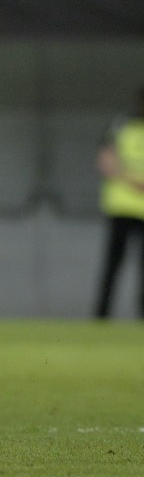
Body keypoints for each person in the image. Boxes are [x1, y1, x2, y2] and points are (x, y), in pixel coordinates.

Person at [94, 87, 144, 319]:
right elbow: (106, 162)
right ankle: (102, 316)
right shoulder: (120, 126)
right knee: (113, 265)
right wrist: (133, 181)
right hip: (121, 207)